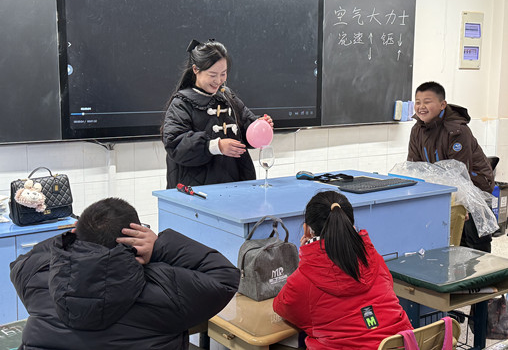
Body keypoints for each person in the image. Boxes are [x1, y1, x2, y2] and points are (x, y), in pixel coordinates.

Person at [10, 198, 240, 349]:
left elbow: (24, 260)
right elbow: (225, 277)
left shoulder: (39, 279)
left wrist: (74, 237)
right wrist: (160, 246)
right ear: (137, 240)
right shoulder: (167, 289)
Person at [273, 191, 413, 350]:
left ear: (306, 231)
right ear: (351, 226)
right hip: (402, 345)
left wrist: (309, 257)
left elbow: (282, 307)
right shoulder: (374, 258)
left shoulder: (304, 279)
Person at [162, 39, 273, 189]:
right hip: (197, 190)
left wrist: (260, 126)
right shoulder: (181, 103)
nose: (219, 80)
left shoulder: (227, 96)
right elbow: (175, 143)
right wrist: (215, 146)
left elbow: (246, 125)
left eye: (223, 73)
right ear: (195, 69)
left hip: (235, 184)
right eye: (212, 74)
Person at [407, 81, 495, 252]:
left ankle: (486, 277)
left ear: (442, 105)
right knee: (453, 240)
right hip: (447, 189)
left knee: (475, 240)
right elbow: (414, 167)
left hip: (475, 188)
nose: (421, 106)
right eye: (418, 102)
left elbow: (460, 172)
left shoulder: (457, 131)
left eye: (427, 101)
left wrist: (463, 202)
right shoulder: (417, 130)